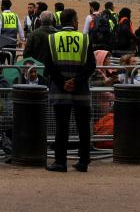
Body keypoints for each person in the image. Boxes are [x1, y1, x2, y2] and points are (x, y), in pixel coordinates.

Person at [43, 9, 96, 172]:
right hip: (81, 90)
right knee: (83, 126)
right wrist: (77, 81)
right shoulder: (85, 38)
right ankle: (84, 160)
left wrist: (62, 82)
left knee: (61, 126)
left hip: (60, 90)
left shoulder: (52, 39)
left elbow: (49, 65)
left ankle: (60, 162)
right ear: (73, 21)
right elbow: (91, 66)